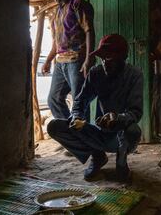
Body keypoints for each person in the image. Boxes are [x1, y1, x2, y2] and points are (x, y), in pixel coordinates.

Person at [47, 34, 143, 182]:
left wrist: (117, 118)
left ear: (122, 58)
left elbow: (135, 112)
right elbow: (80, 101)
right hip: (98, 133)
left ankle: (121, 162)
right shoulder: (96, 73)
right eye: (102, 57)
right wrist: (76, 116)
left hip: (120, 135)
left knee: (133, 130)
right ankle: (97, 156)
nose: (104, 62)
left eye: (109, 58)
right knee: (54, 126)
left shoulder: (134, 75)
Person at [42, 0, 95, 119]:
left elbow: (89, 30)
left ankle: (83, 138)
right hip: (60, 62)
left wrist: (88, 58)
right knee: (54, 99)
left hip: (77, 59)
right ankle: (71, 135)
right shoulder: (57, 12)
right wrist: (48, 60)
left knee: (79, 102)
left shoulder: (77, 4)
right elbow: (56, 42)